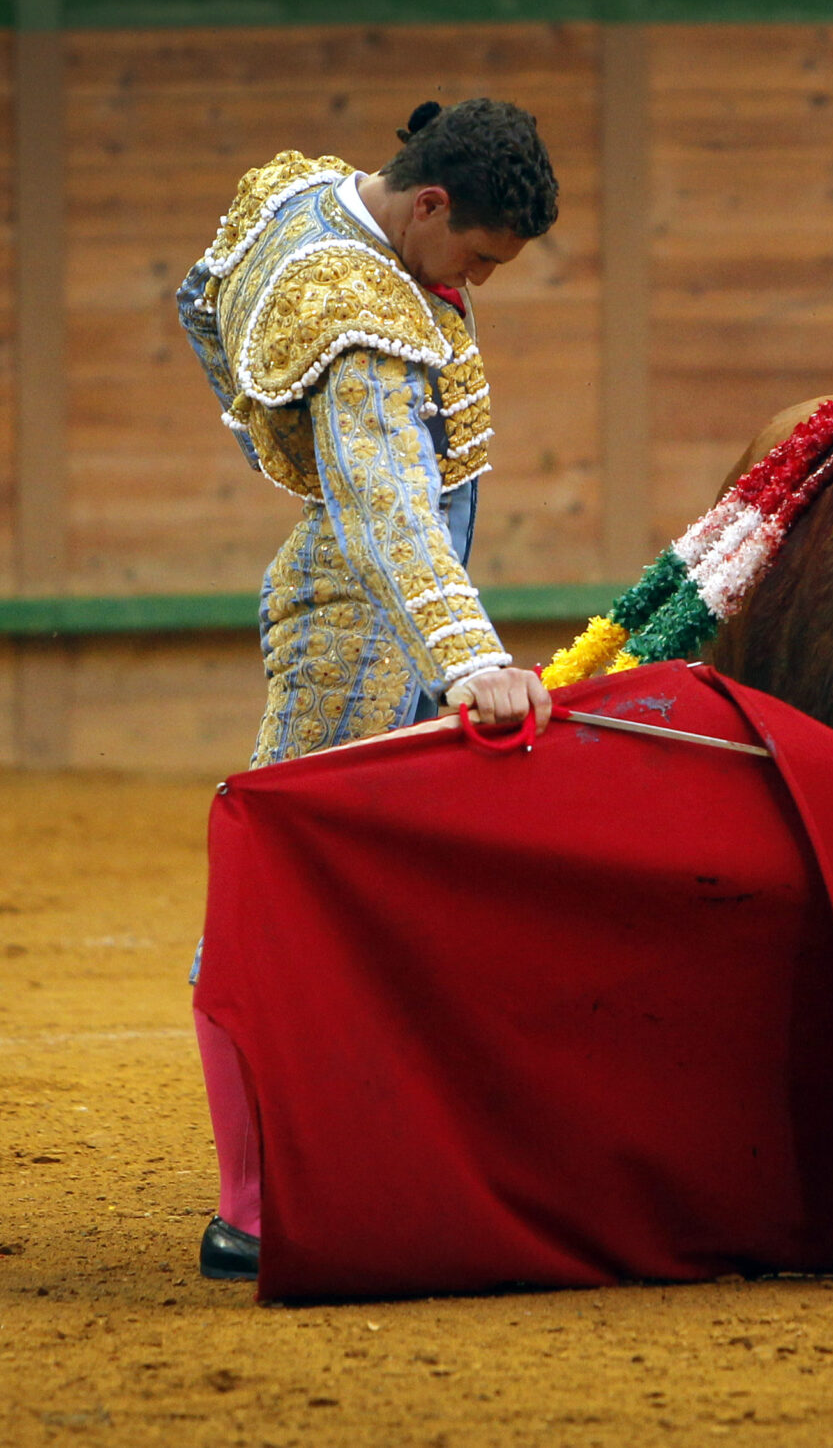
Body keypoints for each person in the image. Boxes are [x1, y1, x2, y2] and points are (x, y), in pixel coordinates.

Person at [174, 98, 560, 1279]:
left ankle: (327, 1162)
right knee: (288, 892)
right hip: (364, 616)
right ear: (432, 203)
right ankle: (254, 1206)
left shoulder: (302, 190)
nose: (477, 284)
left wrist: (275, 446)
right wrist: (472, 661)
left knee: (345, 884)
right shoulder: (356, 317)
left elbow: (201, 297)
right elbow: (392, 511)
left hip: (360, 581)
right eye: (479, 258)